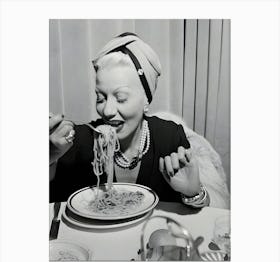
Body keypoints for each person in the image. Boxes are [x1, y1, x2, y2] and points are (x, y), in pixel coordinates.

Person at [50, 32, 229, 208]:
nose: (107, 110)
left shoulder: (169, 137)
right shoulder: (77, 141)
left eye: (121, 98)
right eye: (101, 98)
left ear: (146, 100)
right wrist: (49, 159)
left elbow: (202, 218)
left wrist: (193, 192)